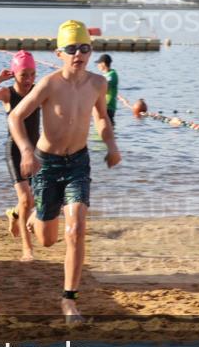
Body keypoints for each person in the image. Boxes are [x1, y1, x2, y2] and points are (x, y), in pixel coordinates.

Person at [8, 20, 121, 322]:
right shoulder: (49, 84)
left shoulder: (98, 83)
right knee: (47, 240)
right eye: (71, 49)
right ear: (59, 53)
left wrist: (111, 145)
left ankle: (69, 300)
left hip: (78, 164)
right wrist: (27, 151)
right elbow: (15, 117)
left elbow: (101, 118)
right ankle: (32, 215)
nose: (78, 54)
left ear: (91, 51)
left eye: (84, 48)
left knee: (76, 230)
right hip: (47, 164)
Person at [0, 51, 41, 262]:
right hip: (14, 151)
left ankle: (14, 214)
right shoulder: (7, 93)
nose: (29, 79)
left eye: (32, 74)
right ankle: (27, 250)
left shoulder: (37, 91)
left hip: (36, 150)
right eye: (24, 75)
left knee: (37, 199)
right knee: (26, 199)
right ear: (14, 74)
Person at [96, 53, 119, 127]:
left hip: (108, 107)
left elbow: (105, 88)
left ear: (103, 64)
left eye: (98, 63)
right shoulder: (104, 75)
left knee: (108, 128)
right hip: (103, 107)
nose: (97, 66)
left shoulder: (112, 74)